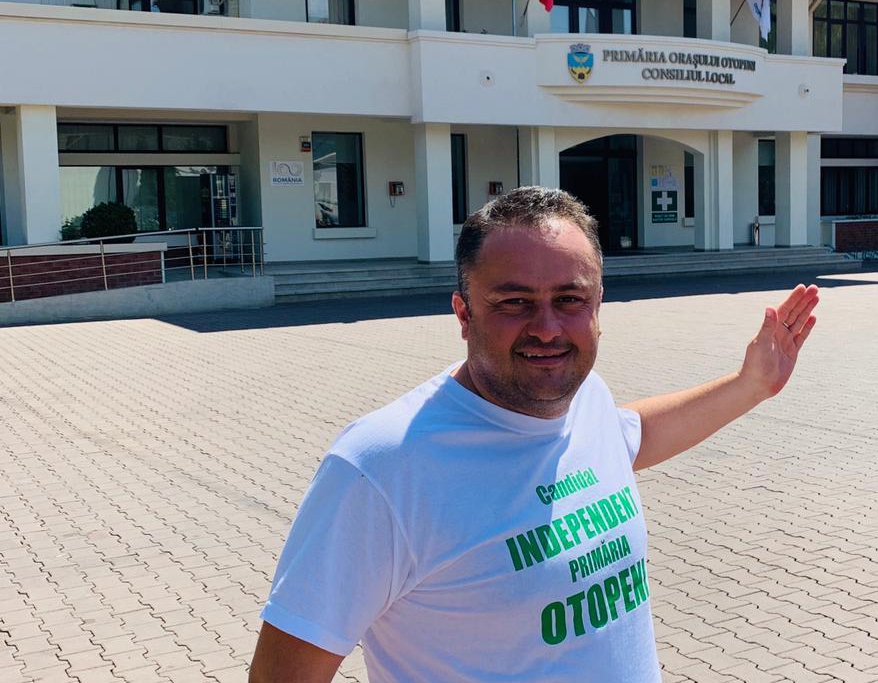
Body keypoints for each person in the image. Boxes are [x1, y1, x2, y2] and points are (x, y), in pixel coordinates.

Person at [247, 186, 819, 683]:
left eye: (569, 300)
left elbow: (633, 435)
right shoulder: (381, 470)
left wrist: (751, 386)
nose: (547, 328)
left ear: (598, 305)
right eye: (514, 302)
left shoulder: (584, 398)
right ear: (464, 314)